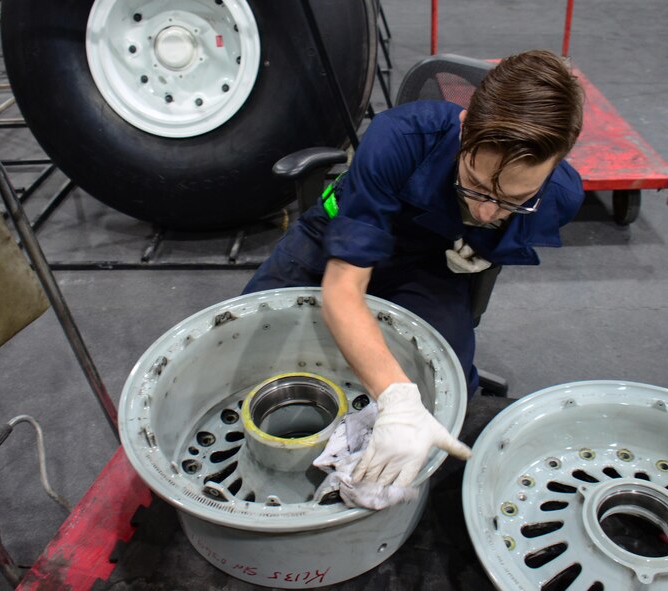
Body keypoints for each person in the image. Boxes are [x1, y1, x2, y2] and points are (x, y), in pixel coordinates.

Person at [243, 49, 585, 490]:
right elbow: (343, 290)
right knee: (248, 343)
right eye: (476, 185)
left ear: (555, 165)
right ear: (465, 129)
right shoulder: (399, 138)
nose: (484, 211)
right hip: (337, 238)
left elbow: (492, 224)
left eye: (513, 199)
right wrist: (398, 400)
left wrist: (483, 246)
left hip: (427, 262)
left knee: (451, 389)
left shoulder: (562, 196)